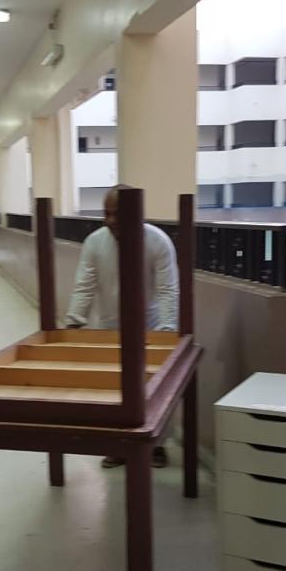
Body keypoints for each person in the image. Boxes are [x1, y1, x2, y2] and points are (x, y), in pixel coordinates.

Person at [65, 185, 178, 468]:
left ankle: (157, 446)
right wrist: (73, 324)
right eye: (106, 213)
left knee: (155, 388)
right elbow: (84, 286)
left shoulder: (157, 241)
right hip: (109, 326)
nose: (111, 220)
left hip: (151, 327)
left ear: (137, 214)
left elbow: (167, 290)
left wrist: (166, 331)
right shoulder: (95, 242)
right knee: (111, 388)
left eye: (118, 213)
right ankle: (116, 445)